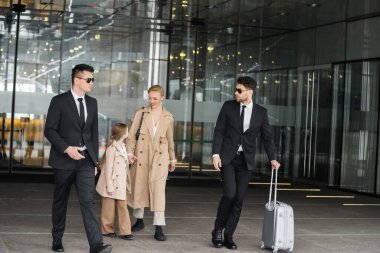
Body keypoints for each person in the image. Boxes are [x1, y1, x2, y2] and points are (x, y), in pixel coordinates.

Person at [44, 64, 112, 253]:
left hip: (85, 161)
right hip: (63, 160)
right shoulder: (58, 101)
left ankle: (96, 245)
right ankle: (57, 238)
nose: (92, 83)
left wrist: (95, 162)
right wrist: (66, 148)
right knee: (60, 200)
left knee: (88, 201)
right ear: (77, 80)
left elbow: (93, 133)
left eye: (93, 79)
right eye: (89, 79)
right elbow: (49, 130)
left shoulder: (92, 103)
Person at [211, 76, 281, 250]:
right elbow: (219, 131)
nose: (236, 93)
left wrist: (272, 158)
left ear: (250, 92)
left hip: (246, 160)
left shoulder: (261, 112)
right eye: (236, 90)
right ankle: (218, 229)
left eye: (239, 90)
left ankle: (229, 236)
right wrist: (215, 155)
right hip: (227, 158)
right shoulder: (228, 107)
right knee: (229, 194)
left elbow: (267, 138)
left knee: (239, 199)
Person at [126, 85, 176, 241]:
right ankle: (139, 221)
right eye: (150, 97)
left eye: (155, 98)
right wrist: (129, 153)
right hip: (141, 157)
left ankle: (159, 227)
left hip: (160, 158)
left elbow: (170, 139)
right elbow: (131, 136)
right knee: (139, 187)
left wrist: (172, 158)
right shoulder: (140, 113)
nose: (151, 101)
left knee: (158, 192)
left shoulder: (168, 117)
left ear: (162, 98)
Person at [96, 123, 134, 240]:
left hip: (121, 182)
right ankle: (107, 230)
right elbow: (108, 170)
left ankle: (125, 231)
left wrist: (129, 159)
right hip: (111, 183)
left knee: (123, 207)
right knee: (108, 208)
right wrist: (110, 187)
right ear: (123, 134)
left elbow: (122, 163)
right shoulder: (111, 149)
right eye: (127, 130)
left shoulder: (123, 146)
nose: (128, 132)